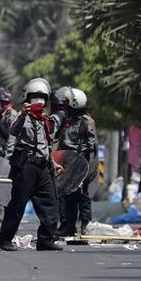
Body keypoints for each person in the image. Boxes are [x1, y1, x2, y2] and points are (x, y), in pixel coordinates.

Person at [0, 77, 63, 251]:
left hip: (43, 167)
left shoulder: (46, 120)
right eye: (34, 97)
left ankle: (46, 240)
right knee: (17, 205)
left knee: (50, 204)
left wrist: (53, 163)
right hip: (26, 167)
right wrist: (24, 114)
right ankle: (4, 239)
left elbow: (46, 145)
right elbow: (14, 131)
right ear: (27, 99)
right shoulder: (21, 116)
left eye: (41, 98)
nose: (38, 101)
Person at [56, 88, 98, 236]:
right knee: (69, 195)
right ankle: (69, 226)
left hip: (82, 162)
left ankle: (85, 225)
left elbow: (91, 146)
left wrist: (87, 169)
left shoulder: (87, 122)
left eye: (67, 103)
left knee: (84, 196)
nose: (64, 106)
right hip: (67, 162)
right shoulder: (65, 120)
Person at [0, 88, 19, 157]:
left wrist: (8, 157)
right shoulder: (0, 115)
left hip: (10, 154)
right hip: (0, 152)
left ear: (4, 103)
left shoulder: (11, 114)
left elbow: (12, 138)